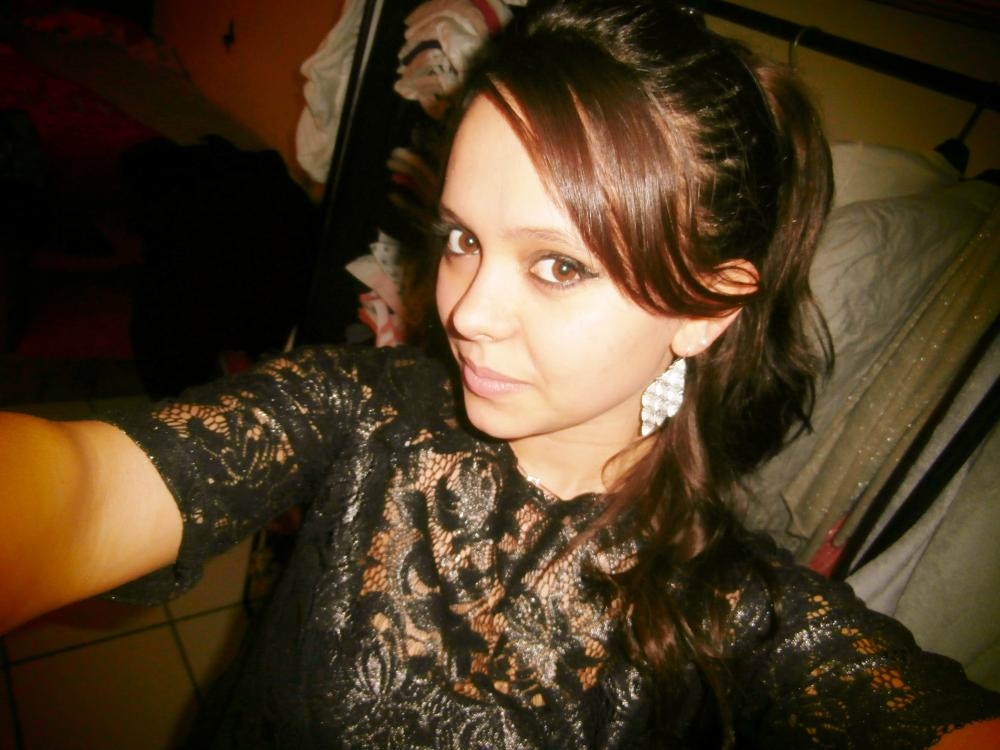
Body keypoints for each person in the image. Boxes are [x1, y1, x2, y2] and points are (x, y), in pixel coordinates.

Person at [1, 1, 998, 747]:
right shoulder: (357, 409)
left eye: (557, 266)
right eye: (463, 238)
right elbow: (84, 492)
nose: (467, 312)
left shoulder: (739, 612)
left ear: (706, 309)